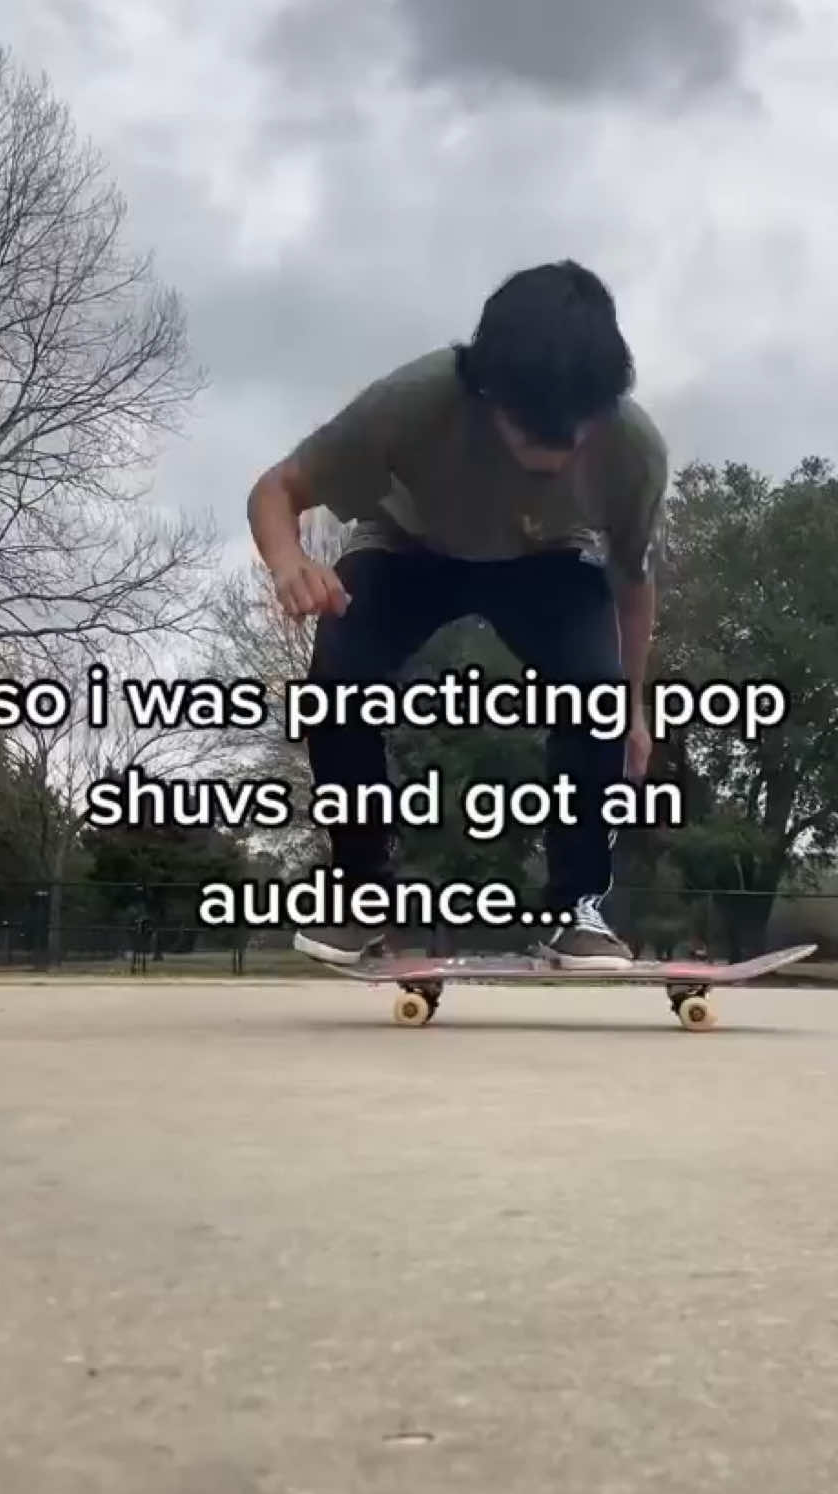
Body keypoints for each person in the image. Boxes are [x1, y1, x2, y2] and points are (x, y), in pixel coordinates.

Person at [247, 260, 667, 967]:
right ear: (484, 389)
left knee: (595, 693)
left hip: (546, 563)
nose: (555, 453)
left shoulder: (633, 449)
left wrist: (633, 703)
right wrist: (291, 565)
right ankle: (362, 897)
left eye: (575, 432)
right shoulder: (413, 401)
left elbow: (632, 584)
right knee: (336, 682)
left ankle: (576, 906)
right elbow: (277, 489)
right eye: (533, 430)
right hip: (409, 547)